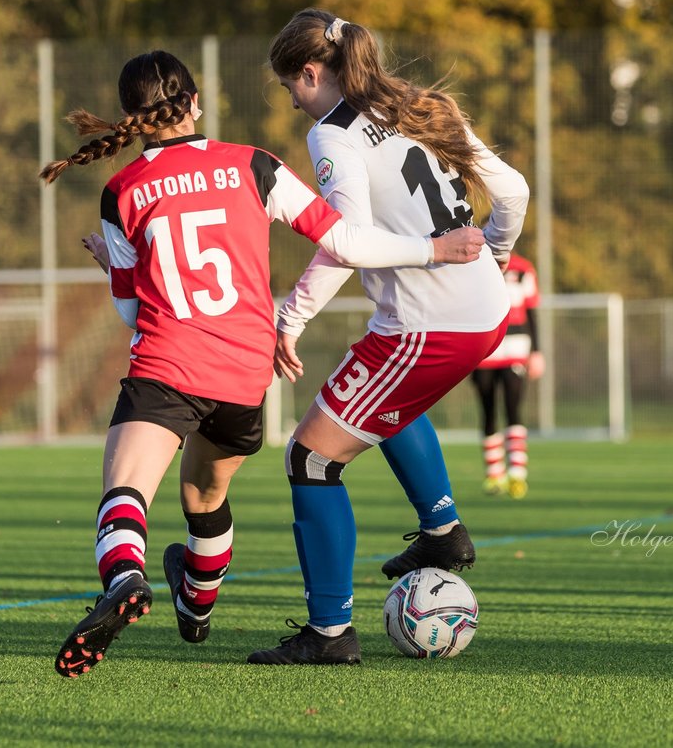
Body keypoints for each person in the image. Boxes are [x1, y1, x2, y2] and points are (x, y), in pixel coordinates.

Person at [37, 49, 487, 678]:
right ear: (195, 103)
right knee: (205, 494)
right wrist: (432, 249)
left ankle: (125, 579)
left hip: (168, 365)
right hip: (245, 375)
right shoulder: (255, 164)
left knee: (126, 491)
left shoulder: (122, 192)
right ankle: (195, 601)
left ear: (129, 118)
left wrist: (113, 263)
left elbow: (133, 318)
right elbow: (345, 241)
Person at [248, 9, 529, 666]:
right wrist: (498, 254)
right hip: (484, 311)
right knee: (378, 402)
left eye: (291, 84)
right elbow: (510, 191)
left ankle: (328, 633)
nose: (291, 99)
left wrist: (287, 321)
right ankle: (442, 532)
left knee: (311, 458)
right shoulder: (426, 104)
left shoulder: (333, 134)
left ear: (312, 72)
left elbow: (344, 243)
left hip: (430, 326)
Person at [471, 250, 543, 500]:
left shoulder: (523, 269)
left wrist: (536, 352)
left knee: (513, 409)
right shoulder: (472, 265)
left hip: (515, 347)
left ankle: (517, 475)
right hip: (483, 351)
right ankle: (494, 475)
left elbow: (532, 311)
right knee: (488, 411)